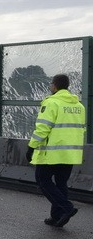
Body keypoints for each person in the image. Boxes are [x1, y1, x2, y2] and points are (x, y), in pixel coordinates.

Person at [27, 73, 86, 227]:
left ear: (54, 85)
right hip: (70, 153)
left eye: (51, 84)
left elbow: (42, 128)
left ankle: (66, 207)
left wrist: (31, 146)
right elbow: (81, 130)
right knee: (61, 184)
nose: (50, 86)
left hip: (52, 153)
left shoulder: (52, 103)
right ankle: (56, 217)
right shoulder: (79, 106)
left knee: (42, 180)